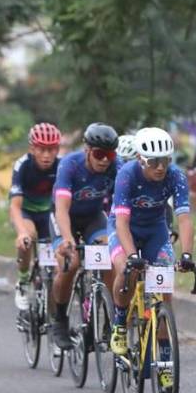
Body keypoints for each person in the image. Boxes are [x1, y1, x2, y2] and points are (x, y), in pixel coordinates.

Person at [108, 127, 194, 390]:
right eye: (154, 162)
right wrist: (132, 256)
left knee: (163, 297)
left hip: (156, 231)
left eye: (165, 161)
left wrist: (187, 254)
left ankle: (165, 363)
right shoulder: (127, 174)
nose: (160, 168)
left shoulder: (176, 176)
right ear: (140, 159)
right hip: (125, 229)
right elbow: (121, 222)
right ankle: (120, 322)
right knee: (126, 269)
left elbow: (184, 218)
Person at [49, 122, 122, 351]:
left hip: (93, 217)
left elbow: (120, 206)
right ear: (87, 150)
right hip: (65, 216)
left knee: (109, 257)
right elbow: (62, 208)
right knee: (70, 264)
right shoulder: (70, 165)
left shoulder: (116, 167)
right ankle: (59, 319)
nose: (105, 160)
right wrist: (67, 239)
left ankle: (109, 317)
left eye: (110, 155)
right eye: (99, 154)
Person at [9, 122, 61, 311]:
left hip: (49, 214)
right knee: (28, 238)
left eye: (51, 149)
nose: (46, 155)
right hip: (27, 212)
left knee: (59, 267)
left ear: (57, 149)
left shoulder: (62, 165)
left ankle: (56, 315)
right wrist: (21, 232)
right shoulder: (22, 165)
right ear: (32, 149)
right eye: (41, 149)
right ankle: (23, 282)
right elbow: (15, 206)